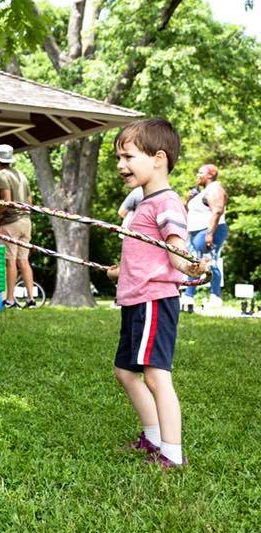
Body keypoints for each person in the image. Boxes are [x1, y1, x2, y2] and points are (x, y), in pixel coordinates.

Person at [106, 119, 209, 469]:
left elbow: (177, 254)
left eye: (128, 156)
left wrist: (194, 267)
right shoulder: (144, 206)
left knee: (156, 375)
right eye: (118, 157)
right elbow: (145, 253)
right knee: (124, 372)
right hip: (135, 298)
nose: (121, 165)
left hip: (154, 300)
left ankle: (173, 454)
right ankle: (152, 439)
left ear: (158, 158)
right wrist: (120, 269)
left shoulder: (166, 204)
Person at [0, 144, 37, 309]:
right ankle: (31, 299)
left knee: (10, 261)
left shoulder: (2, 175)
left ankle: (10, 299)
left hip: (10, 223)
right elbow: (30, 201)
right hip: (26, 221)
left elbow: (7, 201)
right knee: (23, 260)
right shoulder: (21, 175)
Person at [182, 164, 228, 309]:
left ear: (211, 174)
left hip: (208, 231)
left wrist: (209, 234)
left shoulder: (215, 188)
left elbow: (217, 210)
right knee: (195, 263)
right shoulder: (203, 191)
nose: (197, 174)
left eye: (200, 172)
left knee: (207, 263)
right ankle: (189, 296)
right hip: (196, 232)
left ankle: (215, 297)